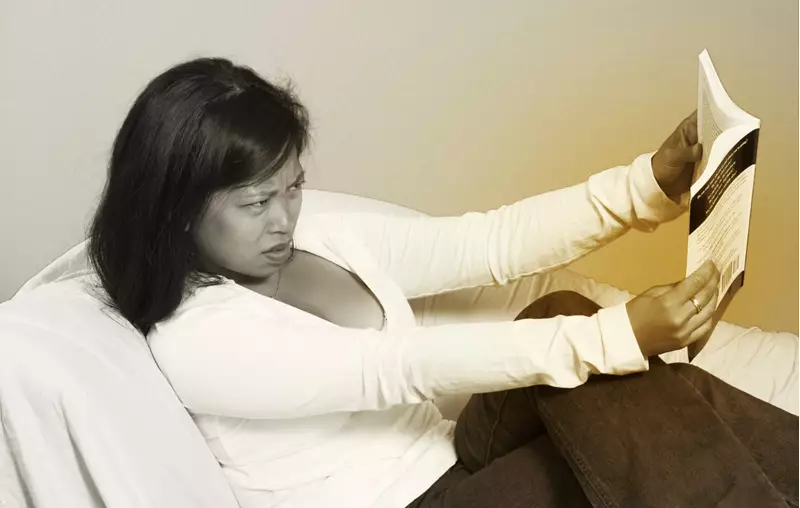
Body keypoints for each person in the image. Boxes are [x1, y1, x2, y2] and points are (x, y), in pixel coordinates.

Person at [88, 58, 799, 507]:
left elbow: (482, 243)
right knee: (644, 426)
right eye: (254, 203)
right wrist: (618, 335)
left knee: (569, 317)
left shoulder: (316, 234)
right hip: (408, 504)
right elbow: (396, 369)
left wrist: (643, 185)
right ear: (175, 208)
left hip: (456, 454)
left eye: (292, 187)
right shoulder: (200, 338)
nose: (283, 218)